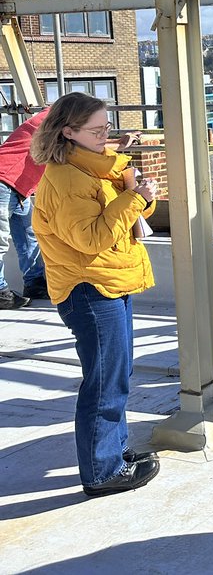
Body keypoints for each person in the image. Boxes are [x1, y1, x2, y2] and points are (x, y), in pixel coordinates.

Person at [30, 93, 161, 496]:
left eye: (107, 127)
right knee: (104, 382)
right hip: (88, 288)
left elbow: (120, 219)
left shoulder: (95, 170)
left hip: (107, 281)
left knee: (116, 377)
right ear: (68, 132)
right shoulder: (68, 179)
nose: (107, 136)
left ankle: (115, 454)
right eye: (97, 130)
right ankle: (102, 472)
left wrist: (139, 196)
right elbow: (90, 238)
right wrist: (136, 197)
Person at [0, 108, 49, 308]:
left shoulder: (60, 122)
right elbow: (79, 147)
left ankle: (35, 283)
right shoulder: (49, 122)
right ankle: (1, 293)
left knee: (29, 237)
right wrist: (118, 143)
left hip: (20, 189)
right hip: (4, 182)